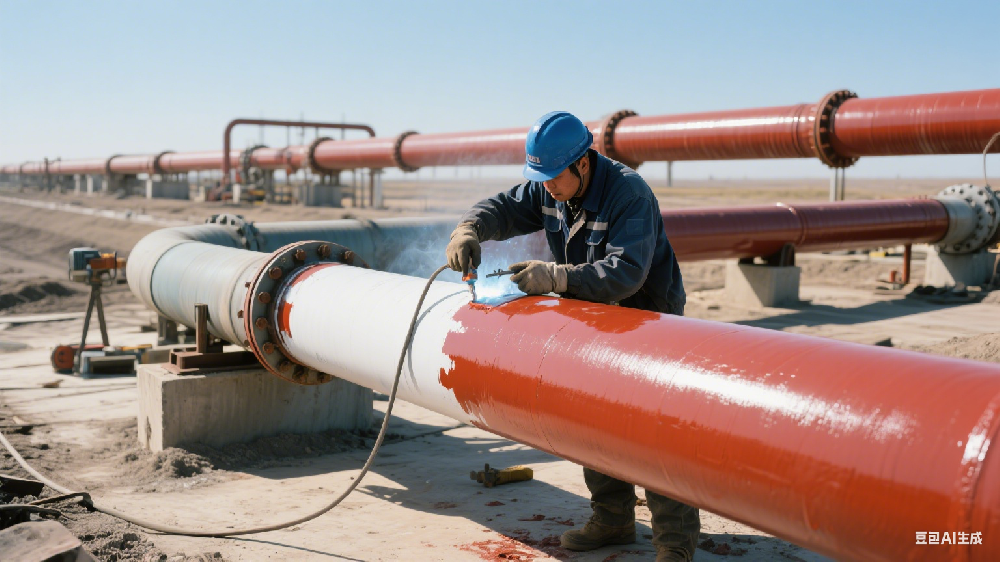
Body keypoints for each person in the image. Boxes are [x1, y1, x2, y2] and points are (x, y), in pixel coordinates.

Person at [445, 111, 699, 561]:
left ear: (583, 163)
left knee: (652, 433)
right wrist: (469, 228)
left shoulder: (628, 194)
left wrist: (556, 277)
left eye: (552, 177)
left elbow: (627, 272)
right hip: (595, 316)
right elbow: (503, 207)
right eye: (539, 178)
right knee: (595, 422)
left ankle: (674, 543)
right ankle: (613, 519)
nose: (546, 187)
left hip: (647, 321)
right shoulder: (551, 187)